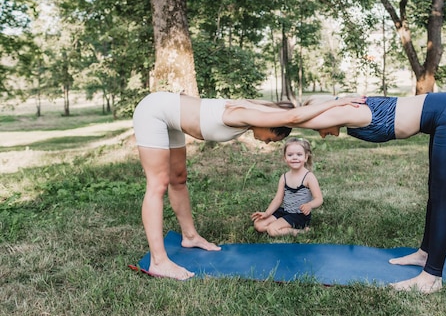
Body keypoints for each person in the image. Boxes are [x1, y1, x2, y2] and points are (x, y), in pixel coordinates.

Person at [132, 91, 365, 280]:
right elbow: (294, 117)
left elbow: (293, 115)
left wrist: (333, 107)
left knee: (178, 179)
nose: (266, 141)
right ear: (269, 124)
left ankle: (190, 236)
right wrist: (339, 103)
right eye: (271, 138)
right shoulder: (242, 115)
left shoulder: (255, 112)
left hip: (172, 117)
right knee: (158, 184)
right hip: (155, 112)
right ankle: (159, 261)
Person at [296, 92, 446, 293]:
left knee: (443, 197)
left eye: (318, 128)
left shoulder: (346, 110)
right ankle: (425, 254)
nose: (321, 133)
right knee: (435, 192)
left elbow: (293, 119)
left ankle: (432, 278)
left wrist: (255, 115)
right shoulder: (349, 110)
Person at [251, 137, 323, 237]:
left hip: (299, 215)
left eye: (299, 154)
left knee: (272, 230)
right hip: (285, 211)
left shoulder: (309, 177)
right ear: (285, 158)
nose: (294, 157)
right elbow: (278, 199)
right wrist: (267, 213)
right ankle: (280, 228)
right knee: (258, 224)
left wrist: (309, 205)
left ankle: (302, 232)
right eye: (290, 155)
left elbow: (319, 199)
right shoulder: (284, 177)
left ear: (306, 157)